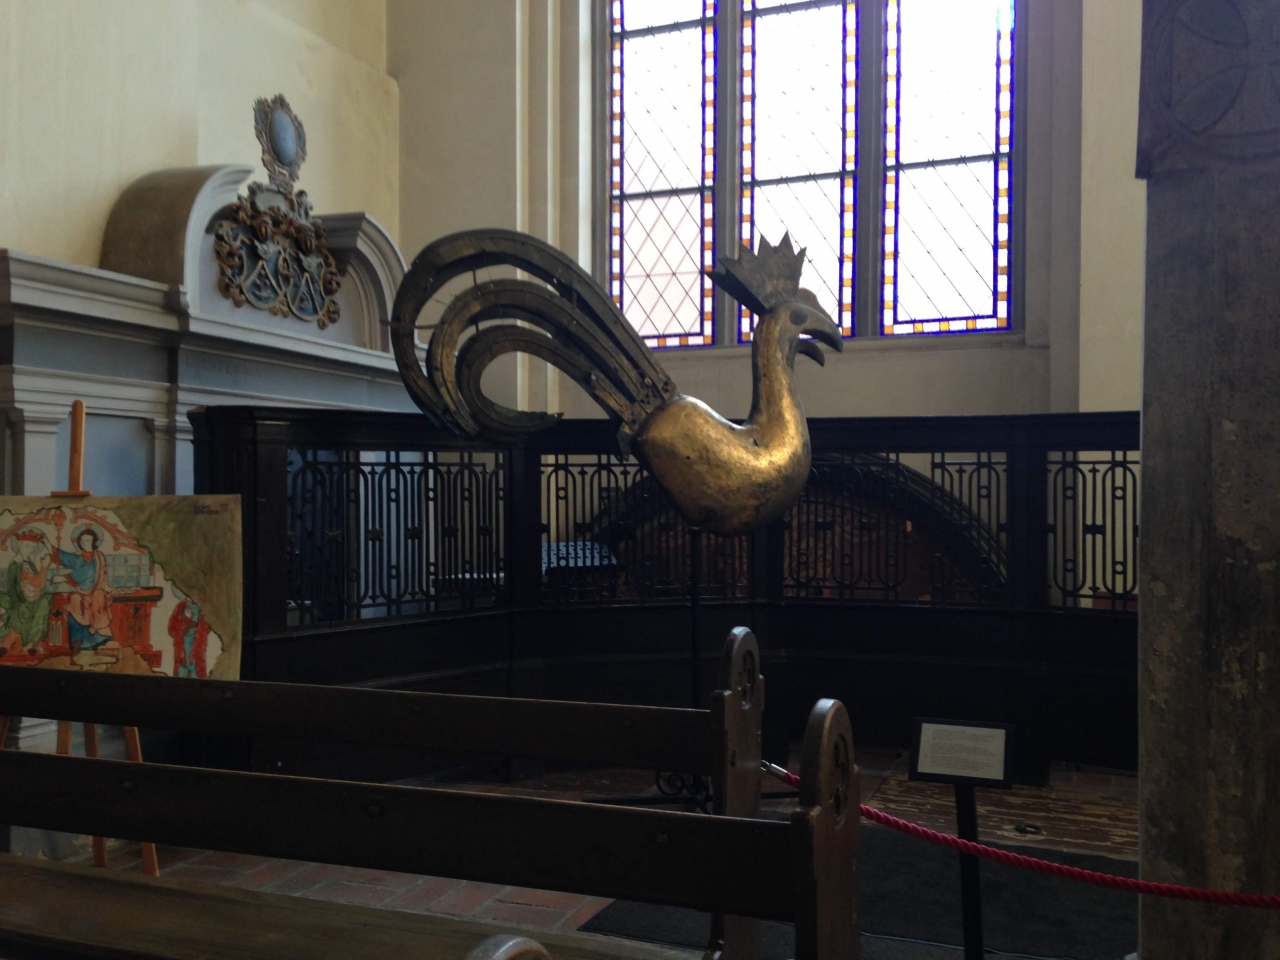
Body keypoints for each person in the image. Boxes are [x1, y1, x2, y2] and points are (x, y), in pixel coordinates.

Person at [57, 525, 114, 655]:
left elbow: (98, 574)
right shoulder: (76, 556)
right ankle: (77, 641)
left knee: (98, 598)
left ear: (93, 542)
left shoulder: (99, 556)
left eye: (87, 540)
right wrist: (65, 577)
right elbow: (77, 573)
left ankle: (99, 640)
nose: (84, 543)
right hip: (79, 591)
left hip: (97, 590)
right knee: (74, 600)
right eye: (82, 540)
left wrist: (107, 587)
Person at [1, 528, 54, 654]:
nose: (30, 550)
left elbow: (40, 583)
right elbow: (32, 582)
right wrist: (44, 567)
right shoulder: (16, 564)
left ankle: (32, 643)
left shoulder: (29, 563)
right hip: (21, 600)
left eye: (33, 548)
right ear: (20, 546)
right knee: (24, 611)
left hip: (33, 598)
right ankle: (17, 643)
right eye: (27, 546)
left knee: (44, 604)